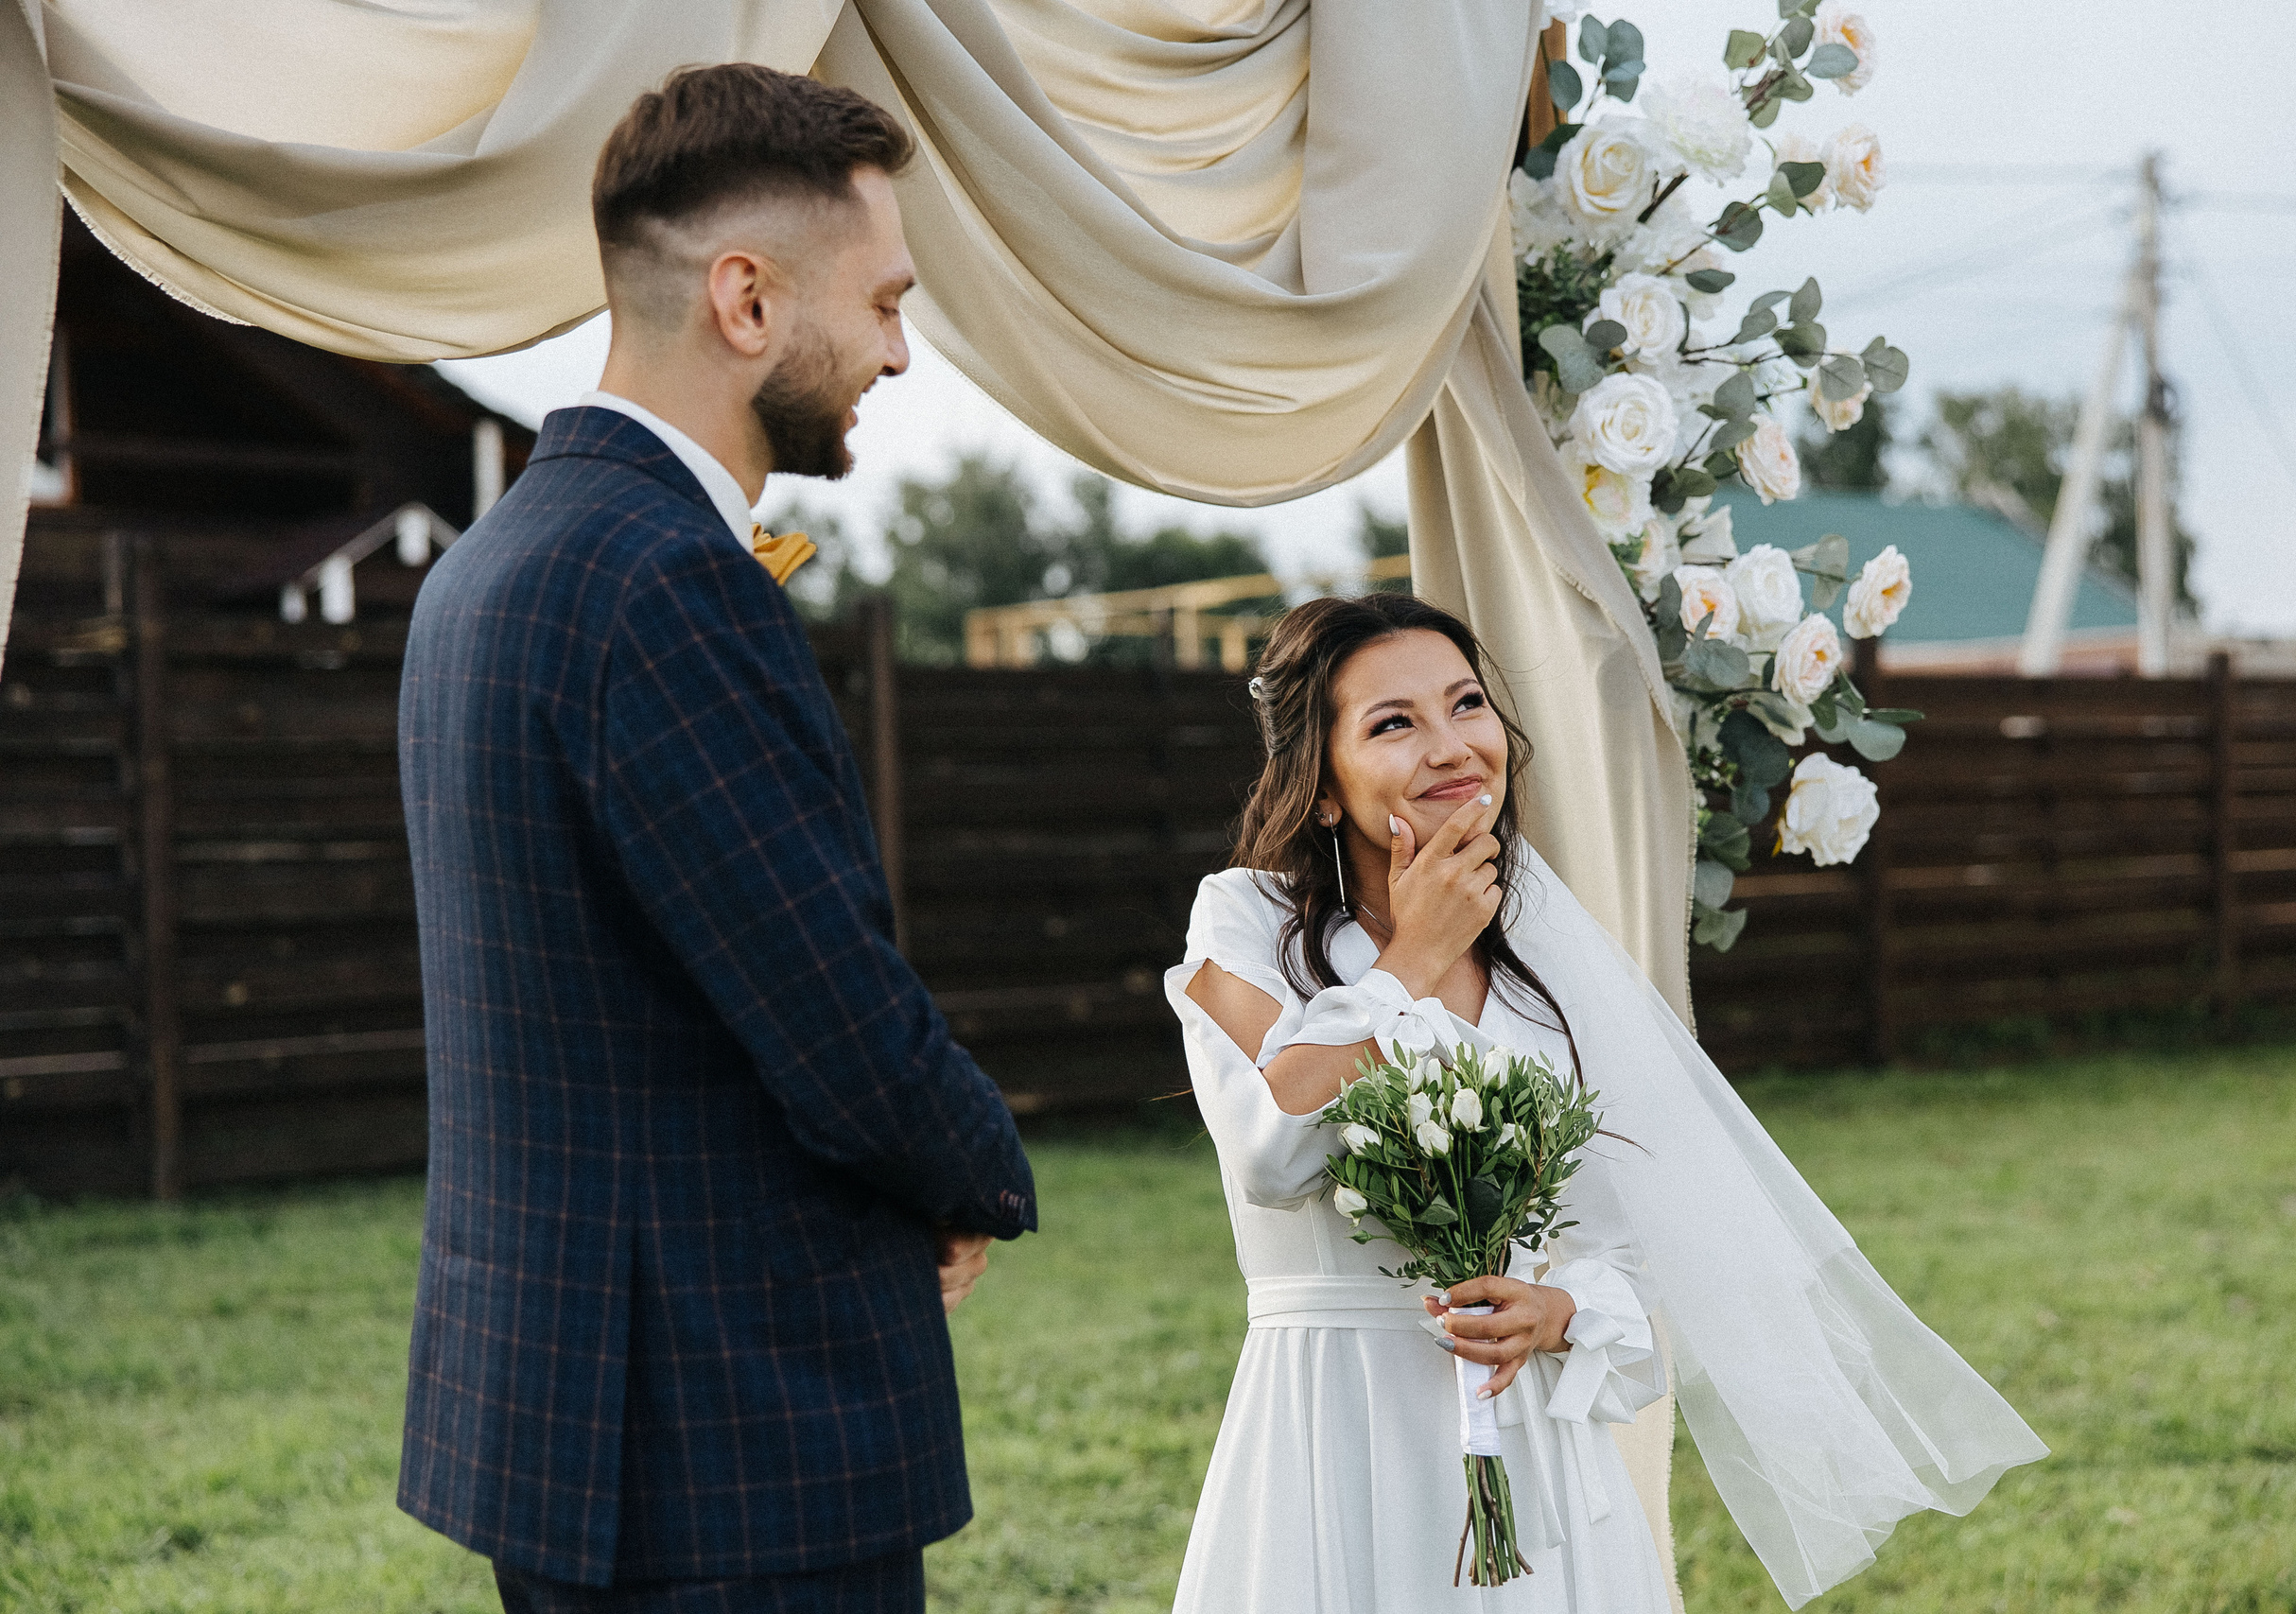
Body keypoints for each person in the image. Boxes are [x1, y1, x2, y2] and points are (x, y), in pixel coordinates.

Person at [396, 66, 1036, 1614]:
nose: (896, 347)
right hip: (726, 1444)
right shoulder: (664, 583)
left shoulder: (488, 569)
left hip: (560, 1419)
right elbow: (830, 1010)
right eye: (882, 301)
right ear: (745, 299)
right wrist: (975, 1170)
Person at [1166, 593, 2046, 1612]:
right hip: (1337, 1424)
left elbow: (1630, 1234)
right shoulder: (1241, 925)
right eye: (1394, 722)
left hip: (1529, 1441)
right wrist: (1411, 958)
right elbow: (1272, 1153)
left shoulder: (1544, 949)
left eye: (1467, 704)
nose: (1453, 746)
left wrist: (1560, 1307)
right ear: (1321, 788)